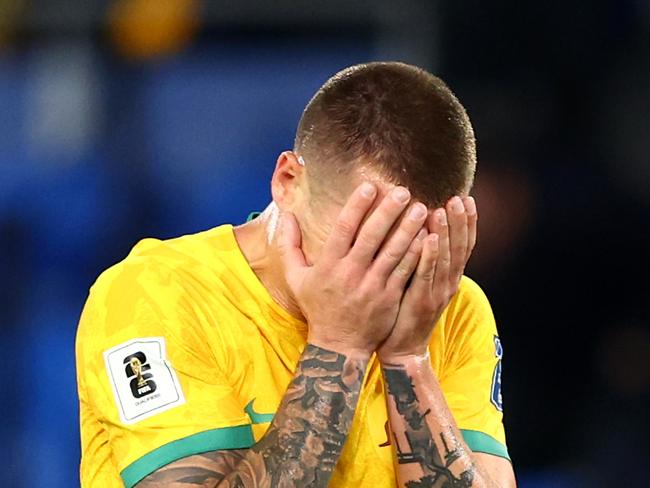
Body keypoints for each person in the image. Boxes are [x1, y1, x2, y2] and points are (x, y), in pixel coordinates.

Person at [76, 62, 516, 487]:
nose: (386, 282)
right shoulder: (156, 295)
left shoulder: (448, 306)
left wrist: (408, 359)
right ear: (287, 181)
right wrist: (339, 344)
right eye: (365, 245)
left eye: (413, 254)